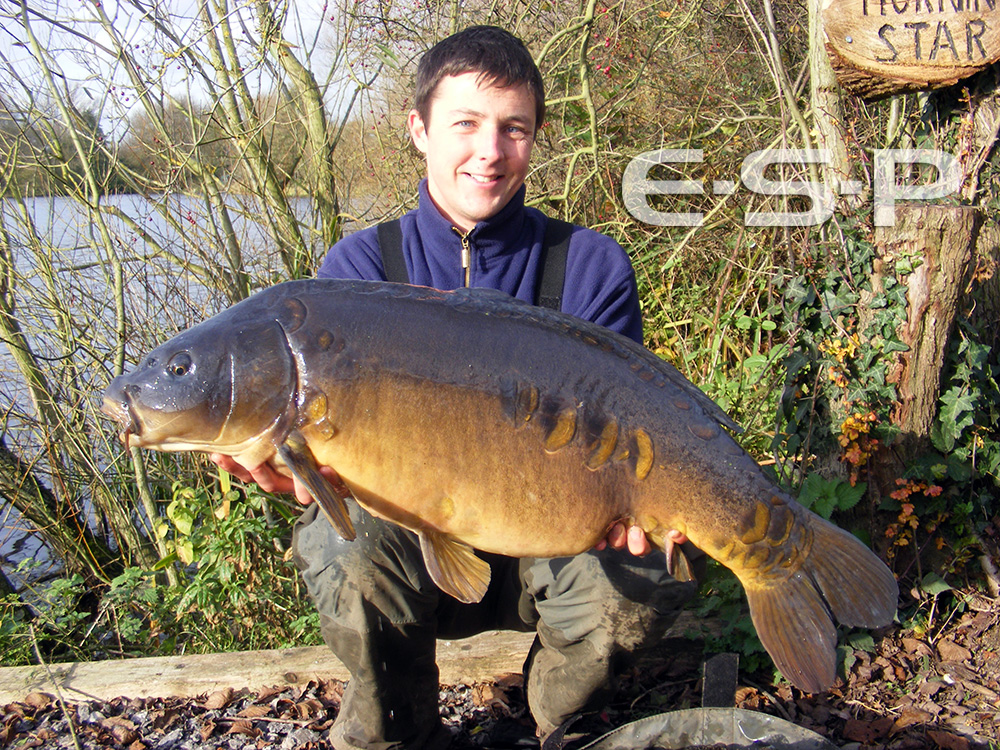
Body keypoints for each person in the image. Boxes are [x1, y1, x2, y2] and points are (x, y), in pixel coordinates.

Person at [213, 25, 697, 750]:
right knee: (344, 549)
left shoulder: (590, 268)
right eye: (465, 124)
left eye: (514, 128)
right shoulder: (355, 273)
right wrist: (296, 476)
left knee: (639, 572)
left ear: (535, 138)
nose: (490, 151)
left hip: (552, 531)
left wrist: (641, 503)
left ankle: (550, 716)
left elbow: (627, 436)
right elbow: (316, 453)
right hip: (415, 546)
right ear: (419, 129)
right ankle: (397, 731)